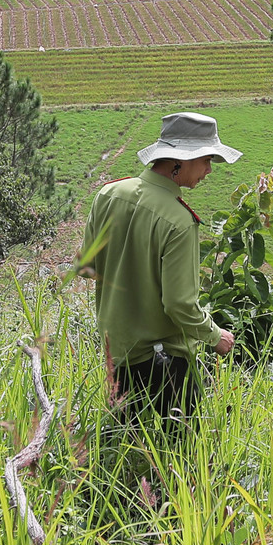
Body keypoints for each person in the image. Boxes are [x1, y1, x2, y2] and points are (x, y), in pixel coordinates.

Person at [78, 112, 238, 418]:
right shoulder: (179, 222)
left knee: (123, 444)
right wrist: (216, 336)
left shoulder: (108, 194)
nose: (208, 170)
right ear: (180, 161)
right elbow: (179, 303)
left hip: (118, 353)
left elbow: (88, 265)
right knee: (178, 454)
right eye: (207, 160)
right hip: (164, 363)